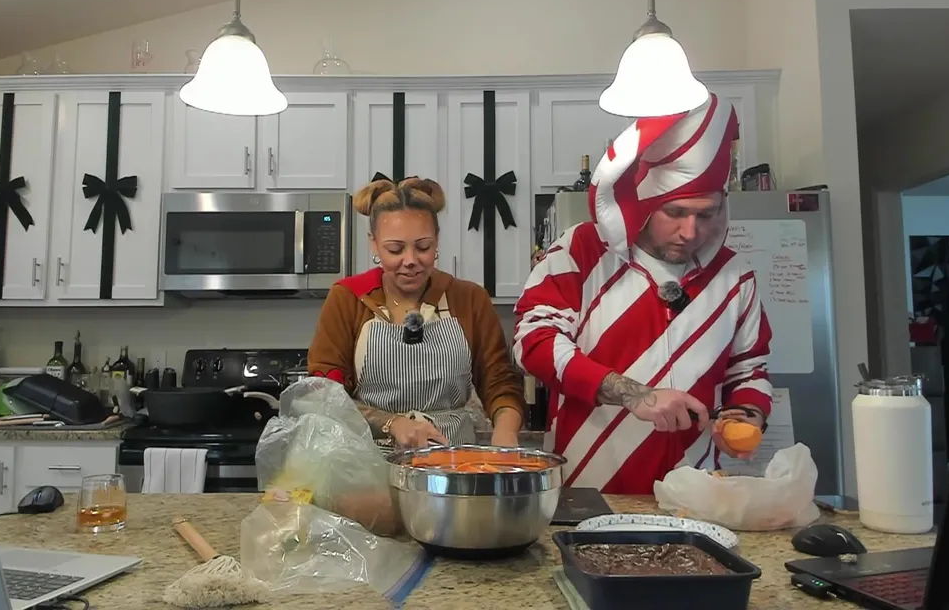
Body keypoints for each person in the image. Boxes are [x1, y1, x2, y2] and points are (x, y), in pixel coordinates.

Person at [513, 94, 773, 494]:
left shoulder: (734, 275)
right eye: (676, 212)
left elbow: (749, 370)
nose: (691, 232)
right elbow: (535, 341)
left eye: (706, 214)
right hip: (589, 490)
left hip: (696, 493)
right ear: (645, 203)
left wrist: (747, 413)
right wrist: (635, 395)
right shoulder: (582, 249)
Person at [308, 176, 525, 449]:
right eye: (395, 249)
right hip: (370, 463)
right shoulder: (348, 299)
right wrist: (391, 423)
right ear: (374, 244)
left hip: (451, 460)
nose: (410, 261)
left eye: (423, 247)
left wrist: (506, 432)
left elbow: (500, 383)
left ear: (437, 241)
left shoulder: (469, 299)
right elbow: (326, 396)